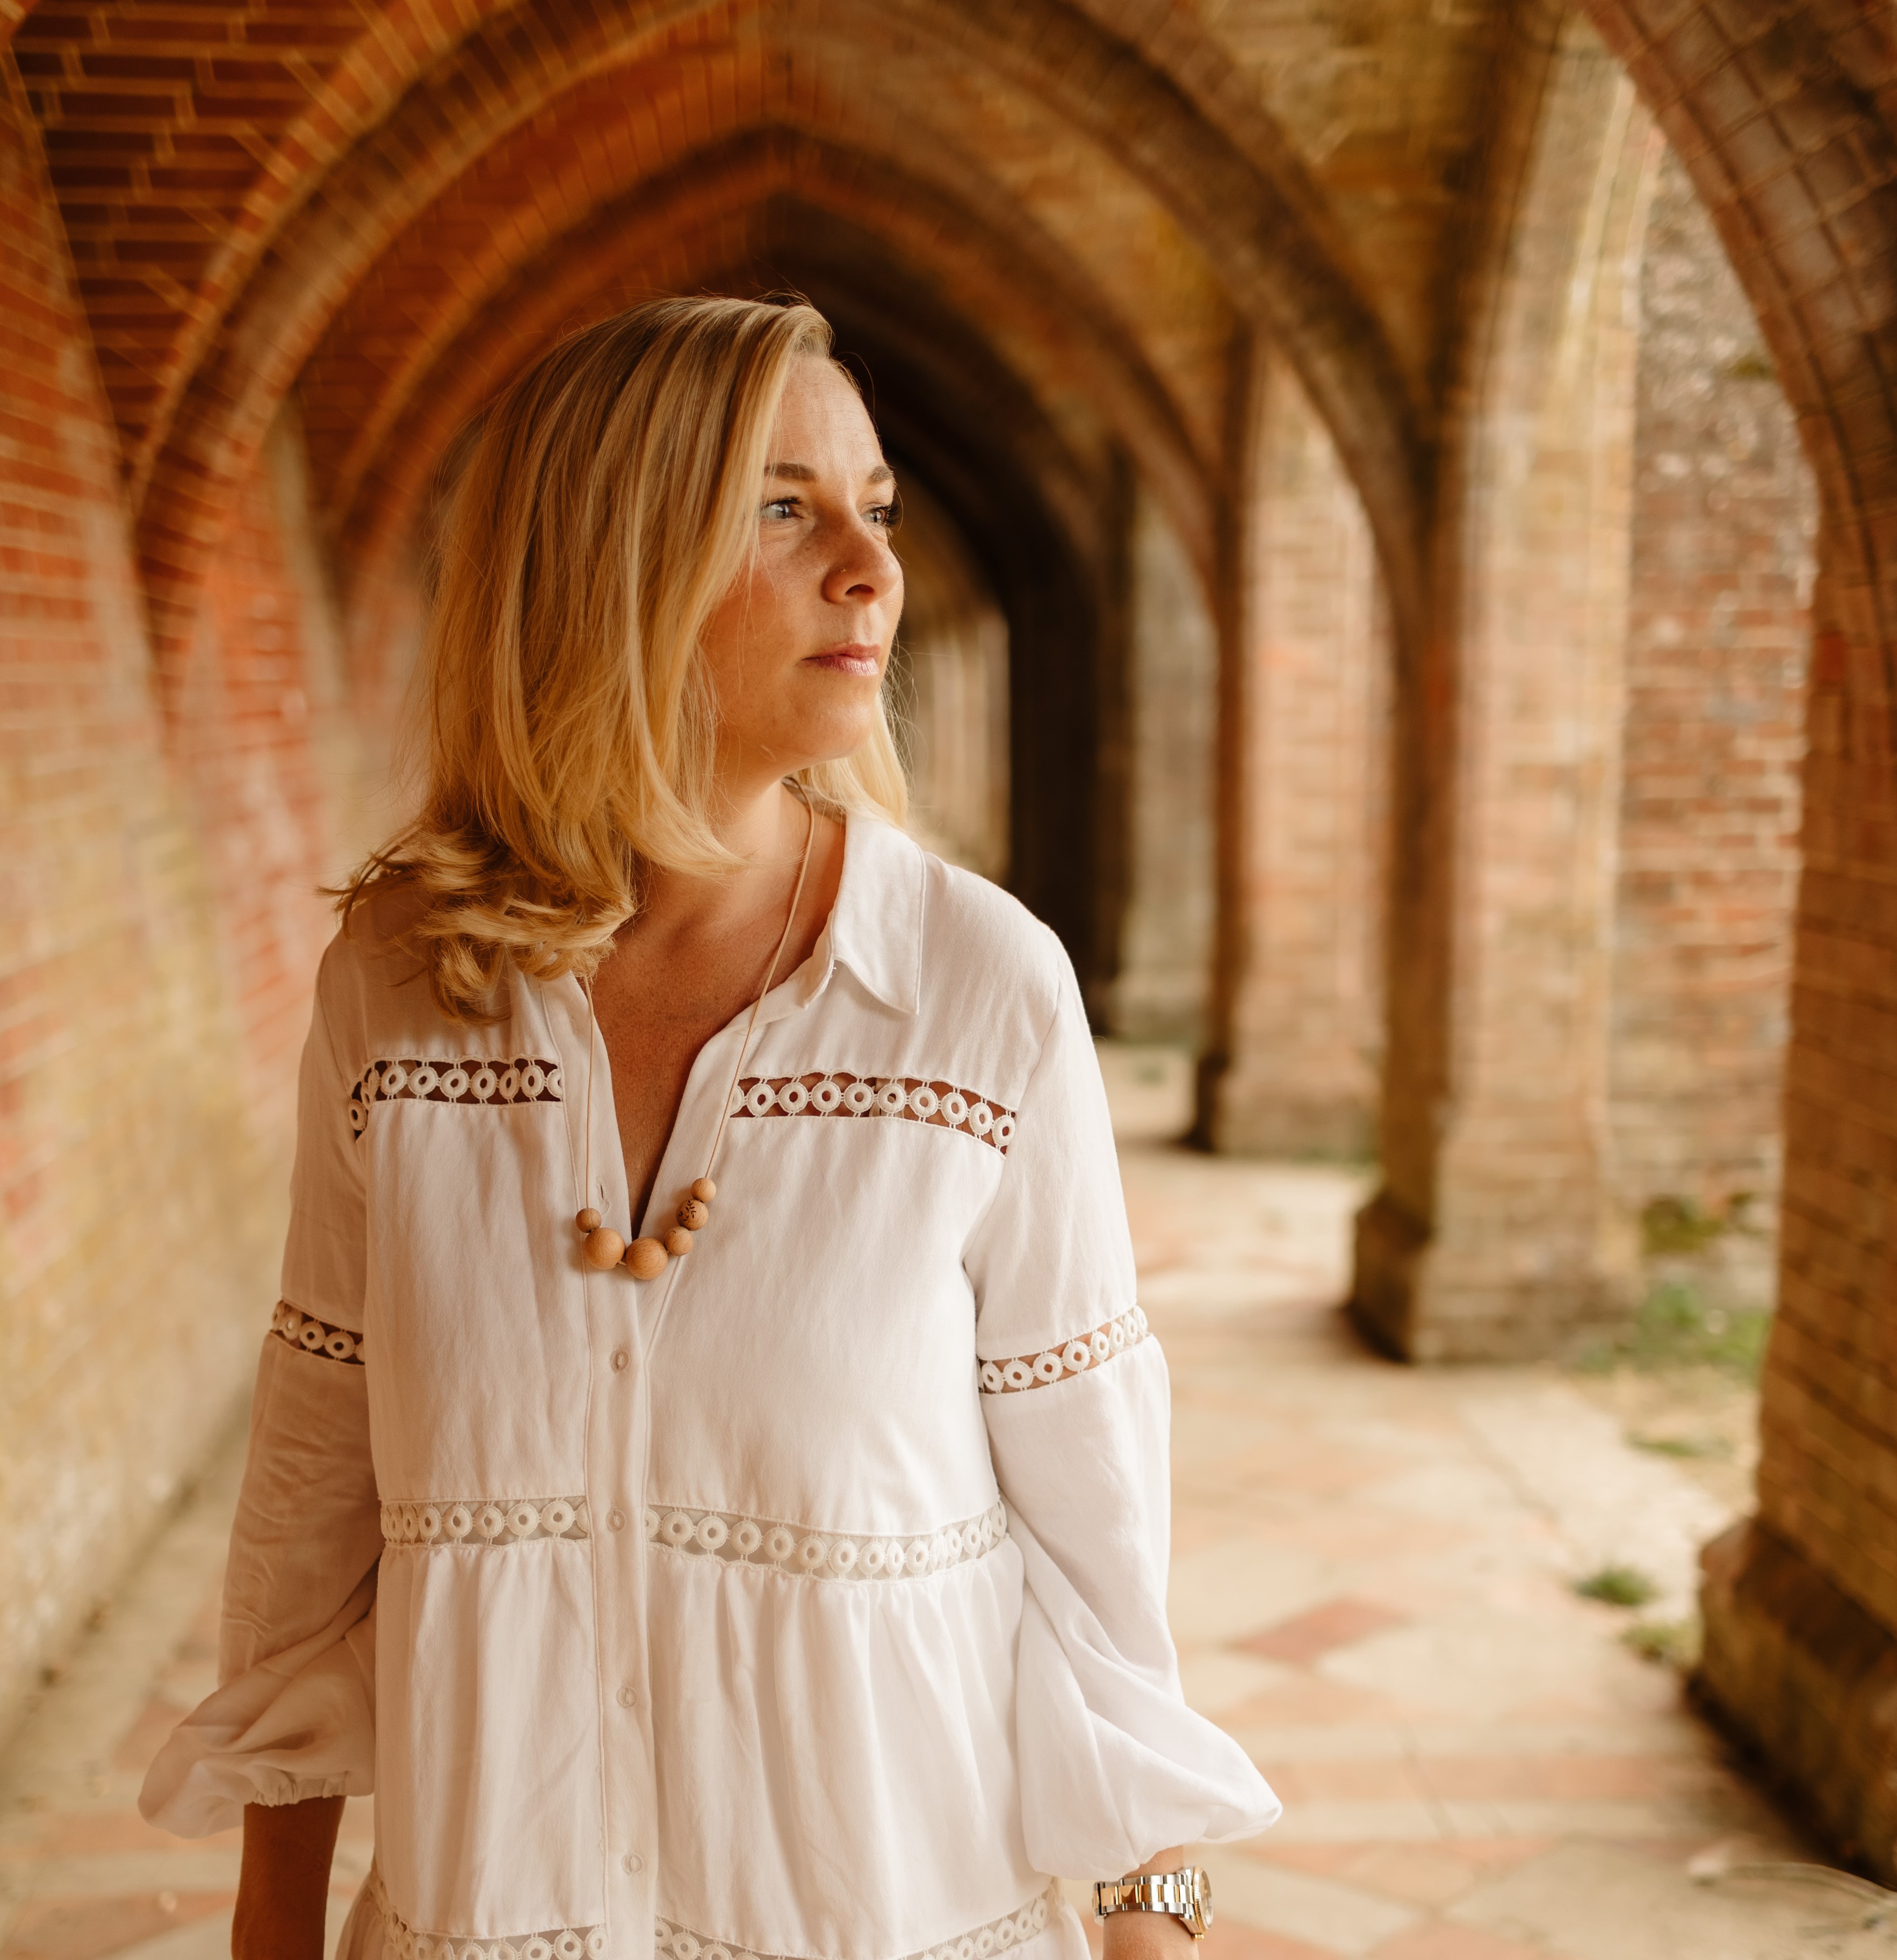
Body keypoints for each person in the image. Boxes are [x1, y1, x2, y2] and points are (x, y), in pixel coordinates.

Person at [140, 296, 1277, 1960]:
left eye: (875, 507)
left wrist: (1165, 1925)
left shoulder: (982, 995)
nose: (870, 566)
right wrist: (270, 1937)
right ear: (612, 562)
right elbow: (314, 1513)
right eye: (782, 508)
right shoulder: (394, 993)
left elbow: (1108, 1598)